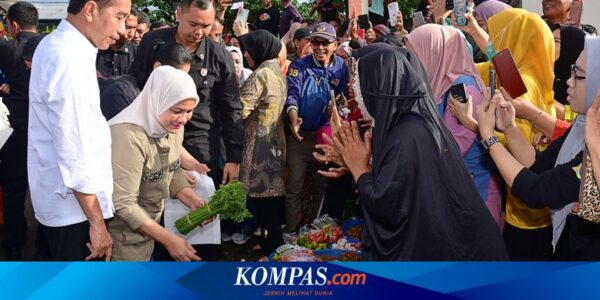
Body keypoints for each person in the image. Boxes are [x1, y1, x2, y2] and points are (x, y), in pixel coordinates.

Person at [330, 45, 507, 260]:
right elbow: (400, 186)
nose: (355, 95)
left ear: (379, 85)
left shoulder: (409, 134)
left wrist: (359, 169)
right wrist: (353, 163)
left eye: (359, 87)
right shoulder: (405, 124)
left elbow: (388, 206)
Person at [476, 37, 600, 259]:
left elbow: (536, 191)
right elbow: (540, 165)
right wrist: (510, 127)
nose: (569, 83)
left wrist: (488, 137)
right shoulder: (584, 126)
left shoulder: (596, 143)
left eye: (578, 75)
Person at [28, 0, 131, 261]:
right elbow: (73, 145)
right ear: (90, 9)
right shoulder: (67, 56)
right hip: (76, 210)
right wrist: (96, 221)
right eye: (118, 17)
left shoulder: (61, 46)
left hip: (67, 202)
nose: (121, 29)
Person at [129, 0, 243, 189]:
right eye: (193, 24)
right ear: (179, 14)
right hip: (153, 134)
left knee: (199, 203)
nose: (199, 32)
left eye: (206, 26)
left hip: (199, 140)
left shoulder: (219, 56)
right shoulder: (153, 42)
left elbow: (232, 107)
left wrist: (234, 158)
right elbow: (136, 83)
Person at [476, 9, 557, 260]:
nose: (491, 44)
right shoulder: (534, 72)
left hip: (525, 210)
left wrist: (476, 126)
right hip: (541, 205)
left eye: (495, 36)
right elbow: (485, 64)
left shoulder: (517, 83)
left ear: (514, 37)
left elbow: (514, 144)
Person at [405, 24, 502, 224]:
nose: (410, 64)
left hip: (474, 193)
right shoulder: (441, 83)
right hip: (458, 188)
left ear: (435, 52)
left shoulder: (462, 88)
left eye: (413, 56)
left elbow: (453, 146)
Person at [108, 66, 203, 261]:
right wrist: (168, 239)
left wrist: (192, 200)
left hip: (149, 232)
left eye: (190, 111)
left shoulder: (171, 127)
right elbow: (123, 203)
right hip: (122, 239)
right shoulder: (128, 136)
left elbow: (172, 168)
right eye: (177, 110)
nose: (184, 119)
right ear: (157, 100)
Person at [284, 22, 348, 232]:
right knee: (294, 185)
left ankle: (321, 232)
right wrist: (294, 117)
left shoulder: (341, 66)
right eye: (316, 42)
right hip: (300, 136)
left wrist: (337, 107)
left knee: (323, 184)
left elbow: (345, 98)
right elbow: (292, 94)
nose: (320, 47)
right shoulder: (298, 67)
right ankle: (292, 232)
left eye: (325, 43)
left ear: (335, 44)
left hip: (326, 139)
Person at [237, 30, 287, 257]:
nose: (246, 54)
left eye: (248, 49)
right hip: (275, 143)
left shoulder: (261, 75)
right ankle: (270, 243)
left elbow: (240, 109)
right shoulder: (277, 71)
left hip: (259, 147)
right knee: (270, 200)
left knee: (265, 203)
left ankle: (275, 249)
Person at [0, 0, 41, 260]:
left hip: (15, 127)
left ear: (13, 24)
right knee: (45, 187)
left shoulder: (7, 48)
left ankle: (15, 243)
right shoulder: (51, 47)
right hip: (45, 128)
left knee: (14, 189)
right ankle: (44, 243)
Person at [101, 42, 193, 120]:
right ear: (158, 67)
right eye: (179, 77)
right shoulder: (122, 94)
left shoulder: (159, 94)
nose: (182, 82)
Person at [95, 7, 138, 77]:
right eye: (127, 27)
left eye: (134, 28)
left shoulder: (136, 52)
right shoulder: (95, 48)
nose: (131, 33)